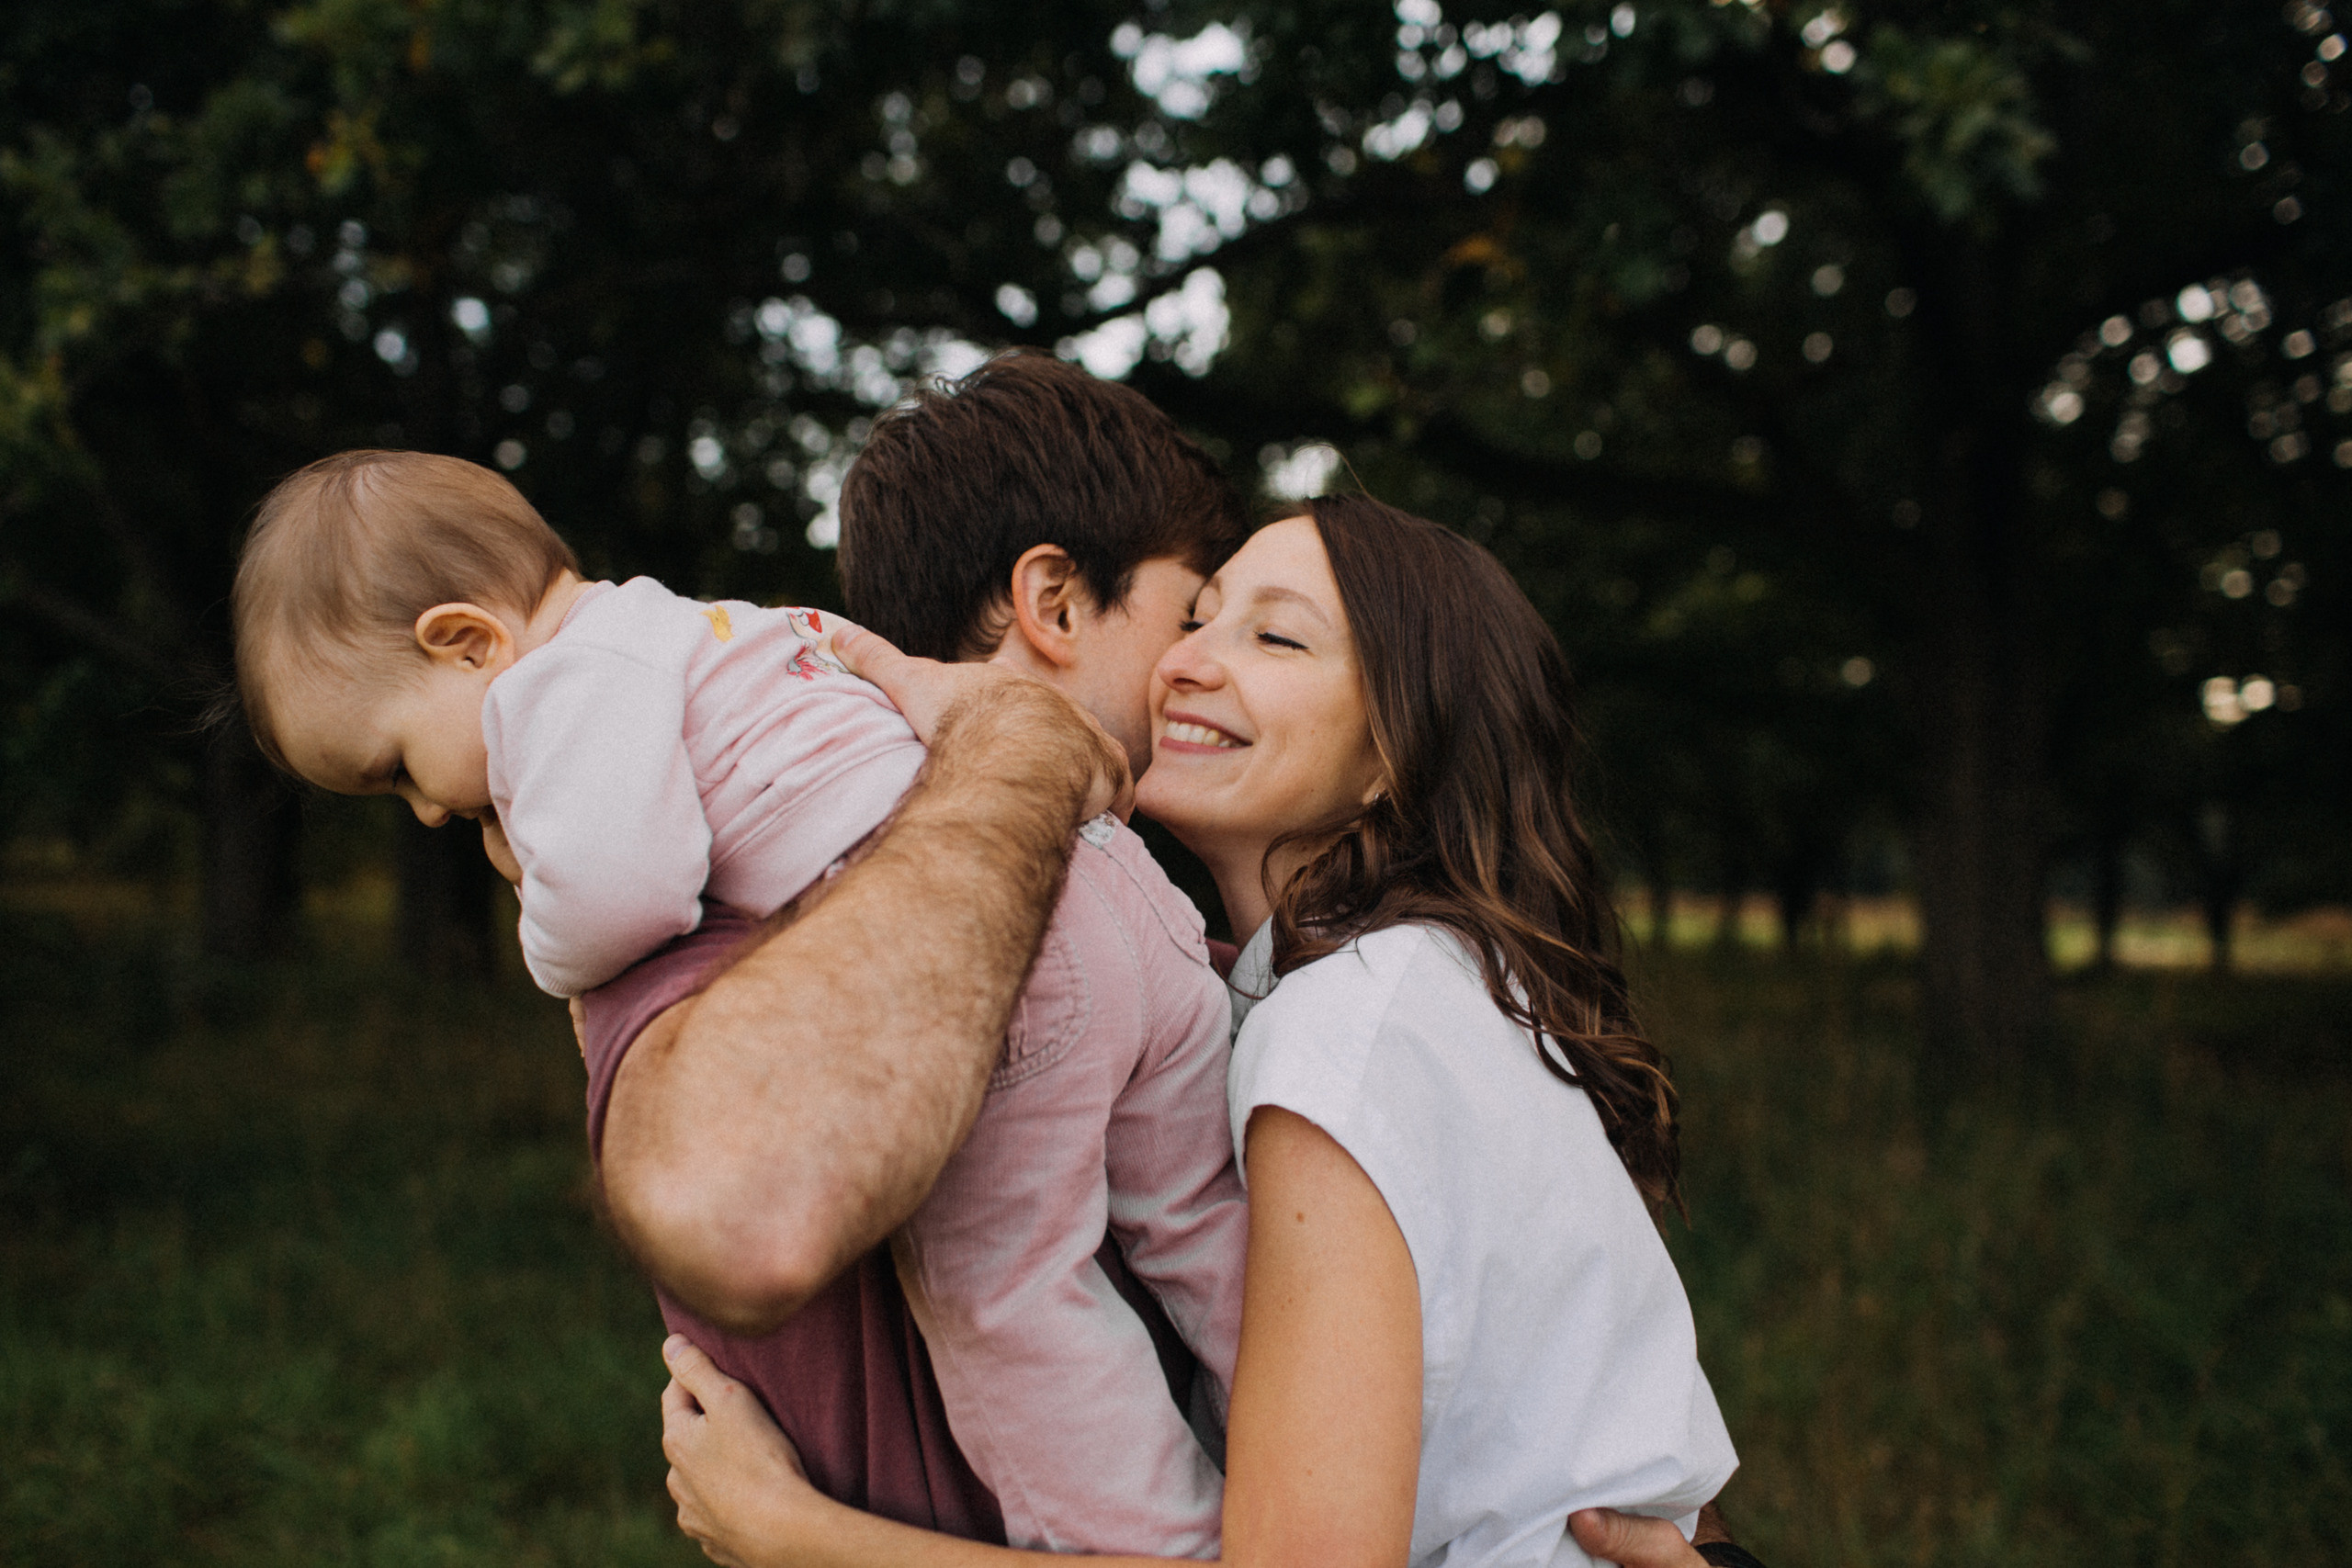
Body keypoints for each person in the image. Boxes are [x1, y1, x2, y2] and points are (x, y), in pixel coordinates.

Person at [654, 496, 1740, 1568]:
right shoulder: (1434, 986)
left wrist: (800, 1540)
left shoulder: (1346, 1028)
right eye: (1197, 619)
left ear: (1392, 756)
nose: (1183, 664)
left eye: (1274, 636)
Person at [228, 440, 1251, 1554]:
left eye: (394, 768)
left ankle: (1153, 1546)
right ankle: (1324, 1453)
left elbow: (624, 892)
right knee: (1197, 1212)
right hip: (1113, 889)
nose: (426, 814)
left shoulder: (560, 687)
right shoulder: (709, 623)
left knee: (1006, 1291)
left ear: (468, 642)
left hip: (1011, 948)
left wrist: (548, 940)